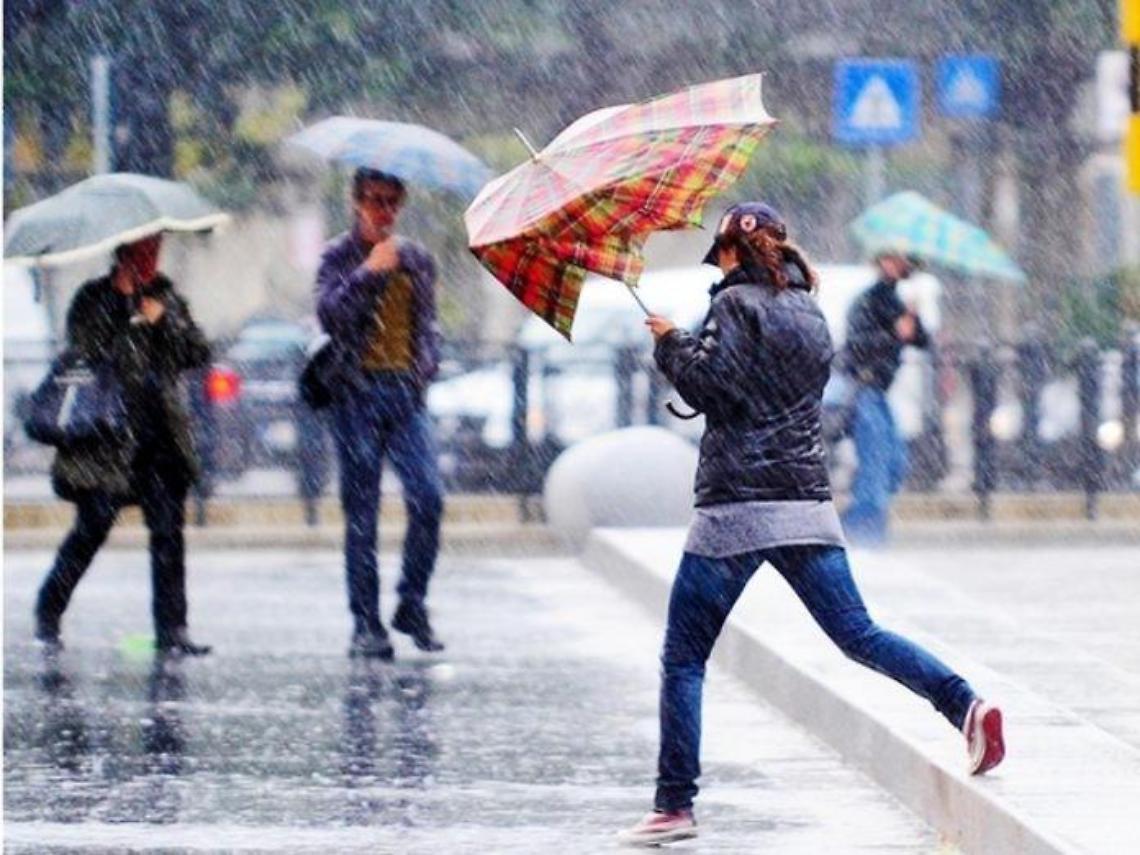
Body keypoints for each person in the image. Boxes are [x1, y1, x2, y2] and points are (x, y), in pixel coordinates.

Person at [618, 204, 1003, 846]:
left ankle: (674, 805)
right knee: (858, 633)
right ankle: (963, 702)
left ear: (732, 253)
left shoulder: (735, 306)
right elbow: (767, 389)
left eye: (721, 256)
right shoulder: (809, 308)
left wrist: (670, 343)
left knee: (684, 656)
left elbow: (717, 388)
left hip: (736, 506)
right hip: (804, 500)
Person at [34, 235, 213, 656]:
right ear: (123, 251)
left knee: (168, 534)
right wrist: (131, 320)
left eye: (157, 248)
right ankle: (49, 607)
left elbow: (197, 352)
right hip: (107, 438)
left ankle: (173, 629)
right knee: (92, 528)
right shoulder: (93, 300)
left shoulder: (166, 296)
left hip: (160, 435)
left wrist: (164, 320)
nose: (152, 258)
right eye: (144, 250)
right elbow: (91, 355)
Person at [316, 167, 445, 661]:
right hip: (356, 395)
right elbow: (330, 315)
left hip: (403, 394)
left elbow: (428, 326)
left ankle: (411, 601)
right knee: (362, 516)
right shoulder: (338, 256)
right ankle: (365, 624)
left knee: (428, 498)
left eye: (391, 201)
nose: (383, 211)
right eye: (373, 200)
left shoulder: (417, 260)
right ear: (356, 203)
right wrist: (369, 272)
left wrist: (423, 369)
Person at [838, 251, 929, 546]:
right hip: (863, 389)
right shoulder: (869, 300)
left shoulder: (896, 301)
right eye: (890, 258)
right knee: (875, 464)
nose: (897, 265)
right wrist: (894, 333)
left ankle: (858, 524)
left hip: (879, 393)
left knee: (894, 464)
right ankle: (863, 532)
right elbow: (858, 344)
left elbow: (921, 339)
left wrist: (912, 319)